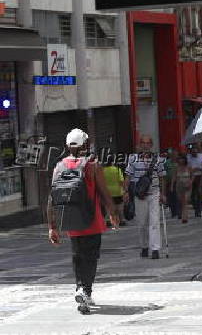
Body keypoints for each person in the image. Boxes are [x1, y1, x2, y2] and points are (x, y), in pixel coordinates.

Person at [47, 128, 118, 310]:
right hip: (92, 220)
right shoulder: (92, 164)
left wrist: (52, 226)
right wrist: (113, 212)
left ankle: (81, 288)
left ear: (67, 146)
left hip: (71, 220)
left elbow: (51, 198)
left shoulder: (59, 166)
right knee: (91, 257)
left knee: (77, 256)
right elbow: (103, 193)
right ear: (86, 145)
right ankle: (85, 290)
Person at [123, 135, 166, 259]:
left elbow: (162, 177)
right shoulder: (133, 159)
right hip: (139, 195)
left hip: (154, 193)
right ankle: (144, 246)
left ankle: (155, 249)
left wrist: (163, 194)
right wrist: (125, 191)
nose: (146, 145)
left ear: (151, 145)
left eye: (148, 143)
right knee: (142, 223)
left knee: (155, 222)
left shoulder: (158, 159)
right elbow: (128, 176)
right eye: (143, 143)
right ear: (140, 145)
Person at [103, 158, 126, 226]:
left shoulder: (103, 170)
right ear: (113, 162)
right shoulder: (117, 170)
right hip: (117, 191)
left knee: (108, 207)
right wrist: (124, 190)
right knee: (119, 206)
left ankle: (108, 220)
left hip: (107, 192)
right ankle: (121, 220)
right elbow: (121, 181)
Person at [172, 154, 193, 223]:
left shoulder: (189, 167)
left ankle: (185, 217)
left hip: (187, 185)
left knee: (185, 201)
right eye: (180, 159)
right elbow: (174, 177)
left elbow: (192, 176)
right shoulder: (176, 167)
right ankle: (182, 214)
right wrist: (172, 186)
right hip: (179, 186)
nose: (181, 160)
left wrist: (190, 182)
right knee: (181, 201)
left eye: (183, 159)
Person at [187, 145, 202, 217]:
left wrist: (198, 169)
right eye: (192, 152)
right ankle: (195, 206)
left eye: (195, 152)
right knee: (192, 194)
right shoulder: (188, 157)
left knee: (199, 194)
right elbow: (187, 167)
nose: (193, 153)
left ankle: (198, 211)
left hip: (199, 176)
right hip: (191, 177)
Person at [165, 149, 180, 218]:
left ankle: (177, 211)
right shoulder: (167, 162)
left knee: (177, 197)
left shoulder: (179, 163)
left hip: (177, 182)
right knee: (170, 197)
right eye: (173, 155)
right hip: (168, 182)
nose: (174, 156)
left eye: (176, 155)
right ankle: (173, 211)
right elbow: (164, 171)